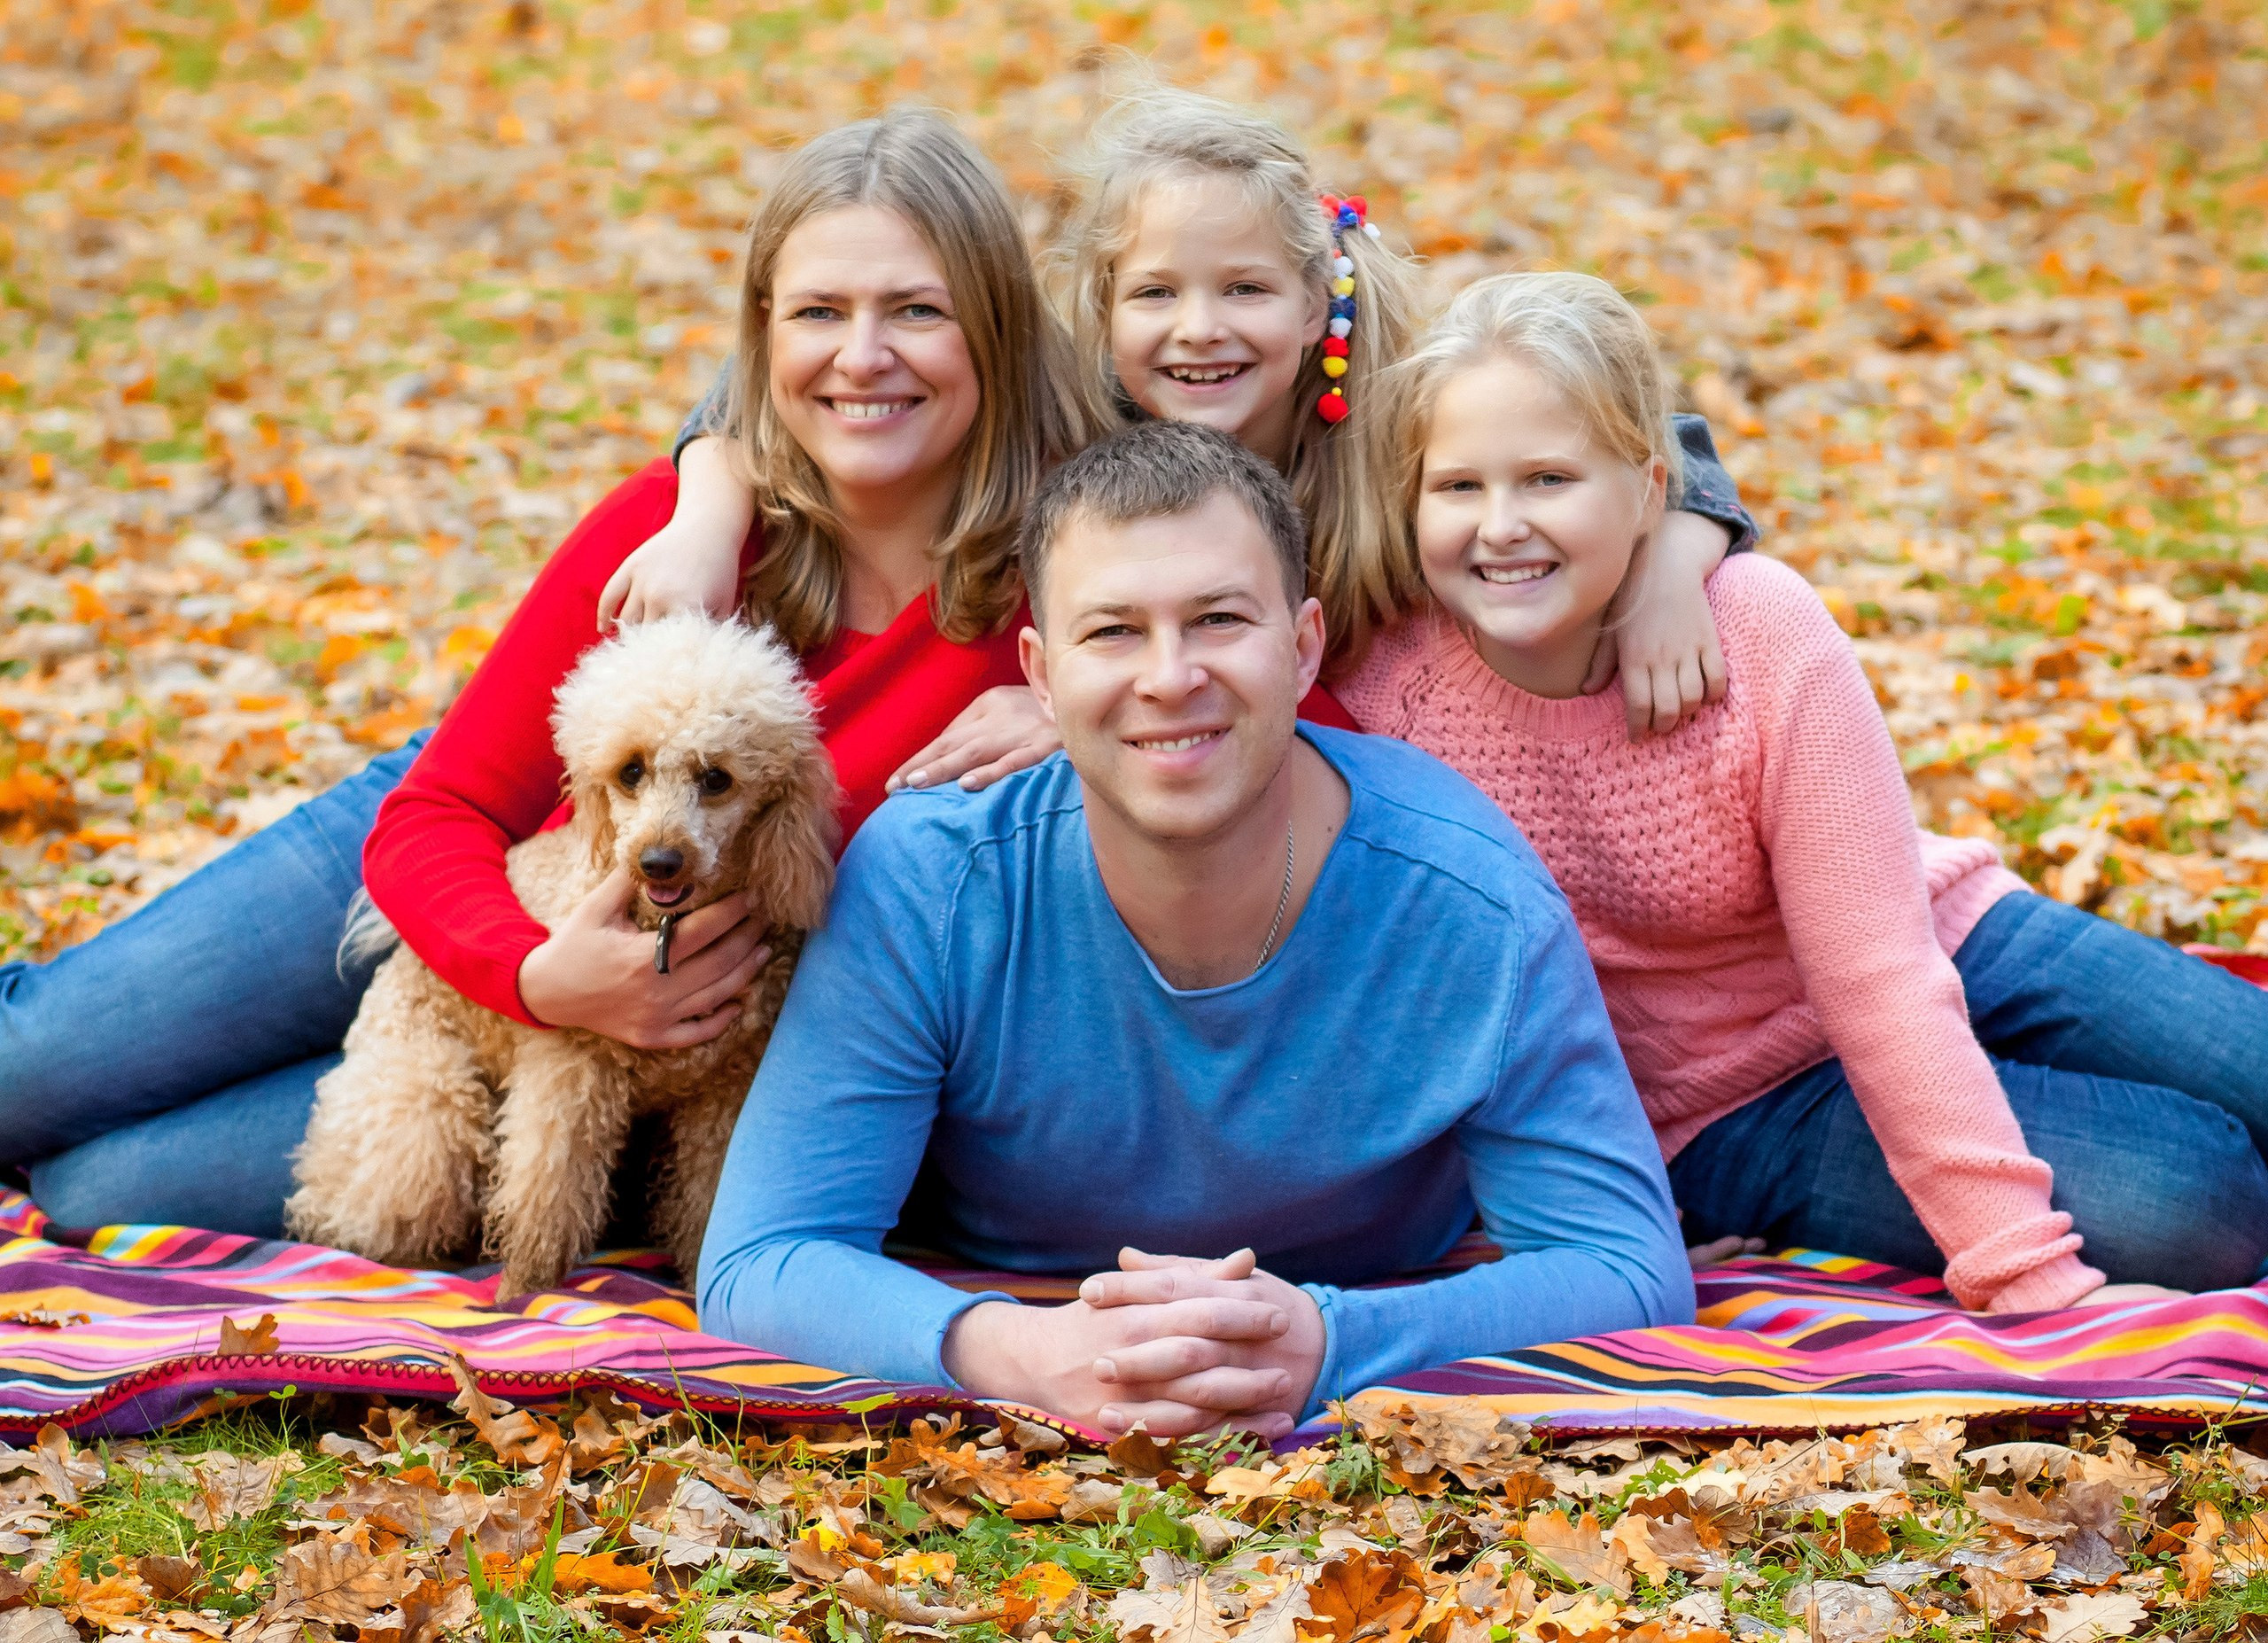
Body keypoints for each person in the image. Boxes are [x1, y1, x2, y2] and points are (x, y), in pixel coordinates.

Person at [0, 111, 1089, 1235]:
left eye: (917, 310)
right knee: (27, 1073)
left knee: (101, 1187)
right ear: (761, 337)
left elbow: (1270, 694)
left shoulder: (1086, 574)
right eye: (819, 312)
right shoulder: (673, 534)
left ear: (997, 330)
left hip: (650, 1052)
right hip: (475, 865)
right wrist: (535, 976)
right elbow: (442, 812)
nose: (863, 356)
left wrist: (1084, 714)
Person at [695, 418, 1693, 1439]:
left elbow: (1624, 1266)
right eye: (1113, 631)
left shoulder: (1469, 896)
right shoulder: (932, 879)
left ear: (1304, 647)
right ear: (1039, 672)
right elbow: (764, 1258)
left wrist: (1332, 1340)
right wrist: (1018, 1351)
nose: (1170, 677)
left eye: (1218, 620)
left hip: (1359, 1281)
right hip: (1021, 1293)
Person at [1334, 270, 2268, 1312]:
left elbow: (1876, 974)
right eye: (1459, 487)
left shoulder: (1759, 628)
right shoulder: (1383, 684)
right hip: (1732, 1100)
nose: (1500, 524)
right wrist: (2026, 1273)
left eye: (1549, 480)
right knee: (2205, 1202)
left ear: (1651, 490)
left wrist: (2013, 1258)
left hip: (1937, 936)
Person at [608, 87, 1762, 790]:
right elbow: (813, 380)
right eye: (1157, 294)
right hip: (1182, 753)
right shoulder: (1079, 419)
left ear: (1320, 300)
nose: (1199, 332)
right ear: (1103, 307)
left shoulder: (1401, 433)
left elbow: (1640, 432)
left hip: (1301, 777)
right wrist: (709, 500)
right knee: (437, 777)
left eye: (1246, 291)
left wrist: (1675, 551)